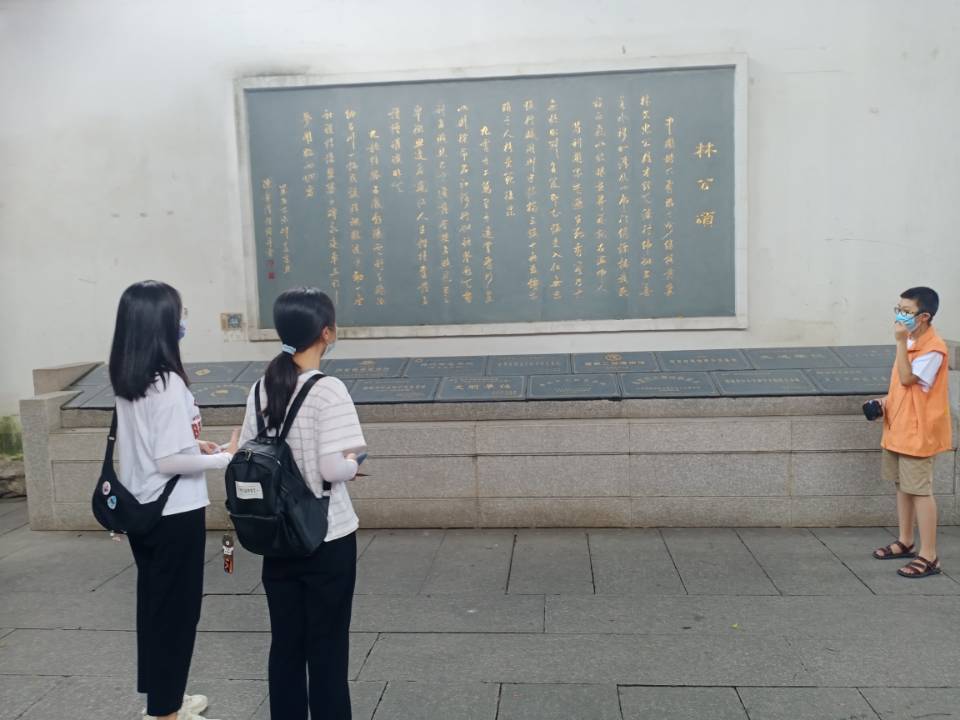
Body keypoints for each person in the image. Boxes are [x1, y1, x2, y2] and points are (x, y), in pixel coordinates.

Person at [109, 280, 238, 720]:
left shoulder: (130, 377)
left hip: (143, 510)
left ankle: (165, 700)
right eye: (179, 313)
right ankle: (165, 713)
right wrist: (224, 458)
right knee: (177, 613)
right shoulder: (166, 384)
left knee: (157, 608)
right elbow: (167, 461)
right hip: (173, 512)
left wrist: (193, 445)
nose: (184, 321)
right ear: (162, 322)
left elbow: (151, 445)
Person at [238, 287, 365, 720]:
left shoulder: (261, 388)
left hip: (276, 535)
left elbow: (247, 453)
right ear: (327, 332)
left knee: (286, 645)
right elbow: (333, 468)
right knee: (327, 647)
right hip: (326, 536)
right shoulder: (329, 390)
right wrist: (353, 463)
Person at [870, 287, 952, 578]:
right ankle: (906, 540)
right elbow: (904, 390)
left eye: (906, 311)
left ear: (924, 316)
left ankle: (929, 556)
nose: (899, 316)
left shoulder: (933, 349)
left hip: (919, 433)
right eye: (898, 309)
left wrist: (899, 341)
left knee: (920, 491)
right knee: (902, 486)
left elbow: (907, 379)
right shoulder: (911, 341)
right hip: (899, 427)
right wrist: (883, 404)